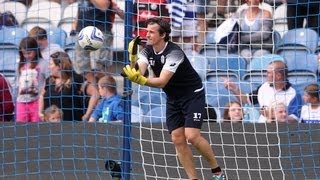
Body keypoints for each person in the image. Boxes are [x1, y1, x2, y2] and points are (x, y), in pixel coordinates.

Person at [122, 17, 225, 180]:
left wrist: (140, 80)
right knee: (177, 138)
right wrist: (133, 57)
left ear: (162, 35)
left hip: (192, 95)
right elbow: (139, 72)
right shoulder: (146, 50)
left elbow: (161, 81)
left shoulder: (174, 52)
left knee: (192, 136)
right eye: (146, 31)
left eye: (151, 32)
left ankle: (217, 171)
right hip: (173, 97)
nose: (147, 35)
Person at [224, 60, 303, 123]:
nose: (266, 75)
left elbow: (295, 119)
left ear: (278, 76)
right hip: (262, 130)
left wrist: (272, 116)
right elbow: (247, 100)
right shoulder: (264, 87)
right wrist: (235, 89)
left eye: (268, 72)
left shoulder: (294, 93)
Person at [71, 0, 125, 84]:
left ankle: (109, 92)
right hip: (82, 31)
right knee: (82, 67)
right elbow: (80, 8)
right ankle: (97, 91)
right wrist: (74, 26)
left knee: (99, 67)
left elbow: (104, 6)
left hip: (99, 31)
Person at [39, 51, 84, 121]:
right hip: (51, 125)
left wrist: (87, 115)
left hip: (71, 123)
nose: (48, 67)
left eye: (51, 64)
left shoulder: (76, 78)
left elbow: (94, 94)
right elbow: (41, 96)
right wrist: (40, 112)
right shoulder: (49, 80)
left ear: (59, 66)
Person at [16, 37, 46, 122]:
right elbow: (17, 84)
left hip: (37, 102)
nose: (27, 56)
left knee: (36, 129)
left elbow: (48, 82)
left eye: (29, 53)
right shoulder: (20, 65)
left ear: (36, 50)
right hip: (21, 102)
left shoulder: (43, 64)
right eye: (24, 53)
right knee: (21, 128)